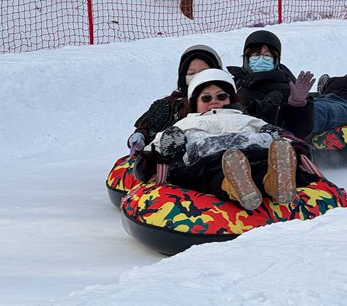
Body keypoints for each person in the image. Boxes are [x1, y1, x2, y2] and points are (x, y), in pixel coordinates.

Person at [139, 69, 319, 211]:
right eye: (206, 98)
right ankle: (236, 187)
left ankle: (275, 183)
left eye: (221, 96)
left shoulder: (246, 118)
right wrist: (159, 154)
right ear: (194, 102)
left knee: (264, 163)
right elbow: (152, 151)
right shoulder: (185, 124)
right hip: (209, 159)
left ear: (231, 99)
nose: (214, 101)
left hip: (254, 152)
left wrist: (286, 143)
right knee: (217, 172)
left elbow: (281, 136)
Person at [127, 44, 222, 151]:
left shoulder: (224, 101)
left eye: (203, 72)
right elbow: (149, 132)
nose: (197, 77)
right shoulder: (171, 104)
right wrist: (140, 137)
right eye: (191, 73)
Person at [227, 30, 315, 140]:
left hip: (311, 115)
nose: (261, 59)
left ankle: (339, 86)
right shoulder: (233, 85)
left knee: (331, 105)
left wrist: (298, 104)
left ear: (276, 60)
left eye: (267, 56)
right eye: (255, 55)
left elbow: (300, 131)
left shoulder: (288, 87)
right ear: (246, 58)